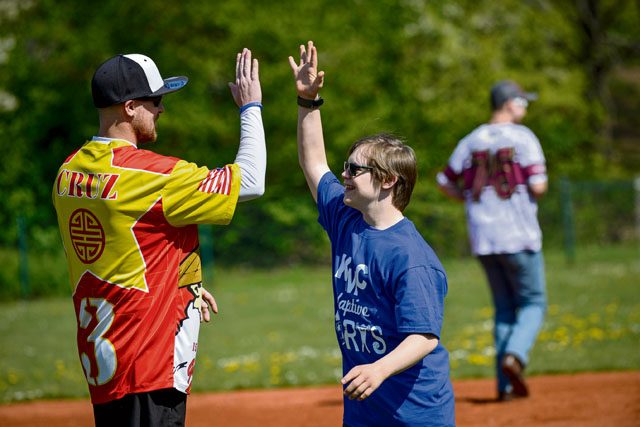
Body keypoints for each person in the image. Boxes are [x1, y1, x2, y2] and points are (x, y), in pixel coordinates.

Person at [52, 49, 265, 426]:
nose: (162, 109)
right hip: (147, 365)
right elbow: (251, 180)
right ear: (131, 107)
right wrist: (251, 108)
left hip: (105, 364)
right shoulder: (151, 175)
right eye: (156, 100)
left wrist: (181, 283)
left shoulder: (68, 172)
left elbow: (122, 248)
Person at [288, 41, 455, 427]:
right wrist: (307, 102)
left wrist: (379, 370)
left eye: (354, 169)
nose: (343, 174)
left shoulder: (411, 257)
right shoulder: (348, 218)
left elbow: (424, 337)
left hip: (415, 413)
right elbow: (313, 161)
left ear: (388, 180)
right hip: (365, 410)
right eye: (346, 166)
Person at [436, 80, 548, 401]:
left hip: (483, 235)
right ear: (510, 103)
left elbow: (444, 181)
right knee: (533, 303)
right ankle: (515, 355)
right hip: (519, 233)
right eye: (522, 102)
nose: (525, 107)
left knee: (503, 309)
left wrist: (467, 198)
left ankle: (505, 385)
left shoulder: (471, 140)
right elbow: (538, 185)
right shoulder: (523, 138)